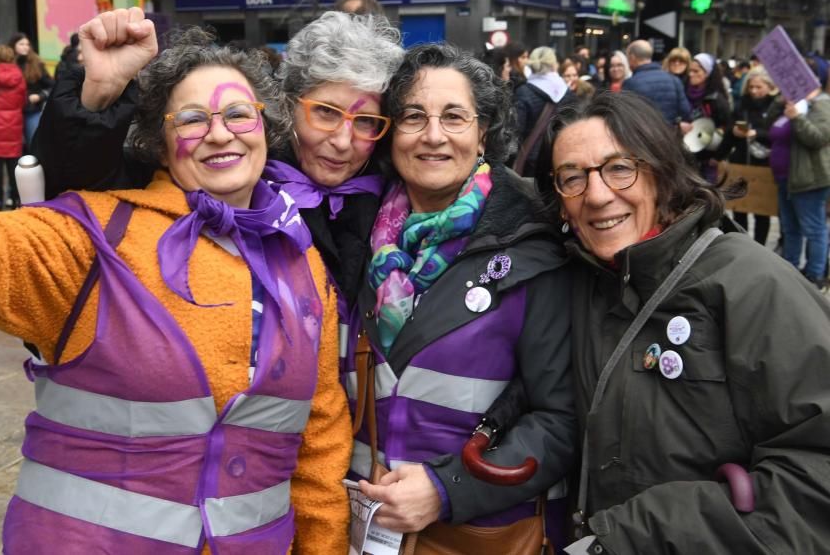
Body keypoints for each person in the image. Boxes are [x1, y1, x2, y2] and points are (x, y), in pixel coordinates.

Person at [0, 30, 351, 554]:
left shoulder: (301, 261)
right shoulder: (96, 234)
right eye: (193, 119)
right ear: (158, 141)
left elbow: (318, 439)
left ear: (266, 127)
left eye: (239, 114)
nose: (221, 134)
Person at [536, 91, 830, 554]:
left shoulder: (752, 284)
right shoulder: (582, 279)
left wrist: (633, 538)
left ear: (661, 171)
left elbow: (817, 479)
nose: (596, 195)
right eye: (572, 177)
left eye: (619, 168)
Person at [34, 9, 404, 323]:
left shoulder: (395, 202)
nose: (342, 141)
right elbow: (84, 190)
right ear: (288, 103)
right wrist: (100, 94)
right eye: (325, 112)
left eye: (366, 121)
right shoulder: (225, 175)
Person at [353, 43, 575, 548]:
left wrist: (446, 489)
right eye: (413, 116)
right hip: (366, 530)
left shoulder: (533, 247)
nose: (433, 135)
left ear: (484, 134)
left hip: (480, 531)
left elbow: (562, 419)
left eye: (454, 117)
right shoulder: (352, 232)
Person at [768, 86, 830, 289]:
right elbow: (771, 126)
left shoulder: (822, 104)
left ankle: (815, 276)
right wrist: (780, 102)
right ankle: (791, 269)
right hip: (786, 179)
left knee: (814, 229)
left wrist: (797, 118)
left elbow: (819, 138)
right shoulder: (790, 103)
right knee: (790, 228)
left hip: (809, 179)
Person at [717, 67, 782, 246]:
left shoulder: (776, 106)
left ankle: (760, 246)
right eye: (751, 87)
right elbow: (730, 132)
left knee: (762, 211)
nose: (754, 91)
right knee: (739, 208)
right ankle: (743, 244)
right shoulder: (741, 104)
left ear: (769, 87)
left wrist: (757, 133)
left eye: (758, 87)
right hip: (741, 162)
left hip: (764, 164)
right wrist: (733, 133)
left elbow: (777, 133)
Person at [514, 46, 576, 177]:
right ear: (555, 65)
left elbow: (516, 131)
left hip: (529, 162)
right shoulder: (567, 93)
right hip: (558, 159)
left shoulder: (523, 92)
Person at [0, 45, 27, 210]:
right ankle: (16, 200)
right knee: (13, 164)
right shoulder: (19, 75)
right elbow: (23, 101)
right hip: (14, 124)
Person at [623, 40, 692, 127]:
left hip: (643, 137)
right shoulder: (674, 80)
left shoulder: (630, 83)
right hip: (669, 136)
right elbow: (686, 113)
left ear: (632, 57)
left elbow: (624, 118)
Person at [685, 52, 731, 182]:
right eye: (690, 70)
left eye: (696, 71)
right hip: (686, 156)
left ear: (707, 73)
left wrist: (718, 156)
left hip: (707, 160)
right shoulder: (684, 92)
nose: (691, 74)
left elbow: (726, 128)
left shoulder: (716, 99)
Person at [8, 32, 54, 150]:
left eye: (27, 44)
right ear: (13, 45)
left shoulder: (36, 63)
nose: (25, 47)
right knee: (12, 148)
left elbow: (52, 85)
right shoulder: (7, 63)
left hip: (31, 110)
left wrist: (40, 96)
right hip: (11, 112)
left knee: (33, 143)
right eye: (21, 44)